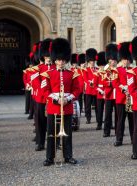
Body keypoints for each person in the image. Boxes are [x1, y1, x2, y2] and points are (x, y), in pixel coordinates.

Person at [41, 38, 80, 166]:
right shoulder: (48, 74)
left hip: (67, 107)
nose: (61, 62)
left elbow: (77, 89)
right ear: (55, 60)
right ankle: (49, 158)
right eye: (58, 60)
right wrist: (55, 98)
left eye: (63, 60)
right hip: (53, 107)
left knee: (67, 133)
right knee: (51, 133)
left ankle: (68, 156)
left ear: (66, 60)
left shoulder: (72, 74)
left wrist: (68, 98)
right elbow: (45, 90)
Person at [112, 42, 134, 146]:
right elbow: (115, 83)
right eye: (124, 59)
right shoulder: (117, 70)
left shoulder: (132, 70)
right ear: (121, 59)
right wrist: (123, 88)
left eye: (127, 59)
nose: (126, 61)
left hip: (130, 98)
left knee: (132, 120)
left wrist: (130, 89)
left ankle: (133, 139)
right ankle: (119, 139)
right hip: (121, 99)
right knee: (120, 120)